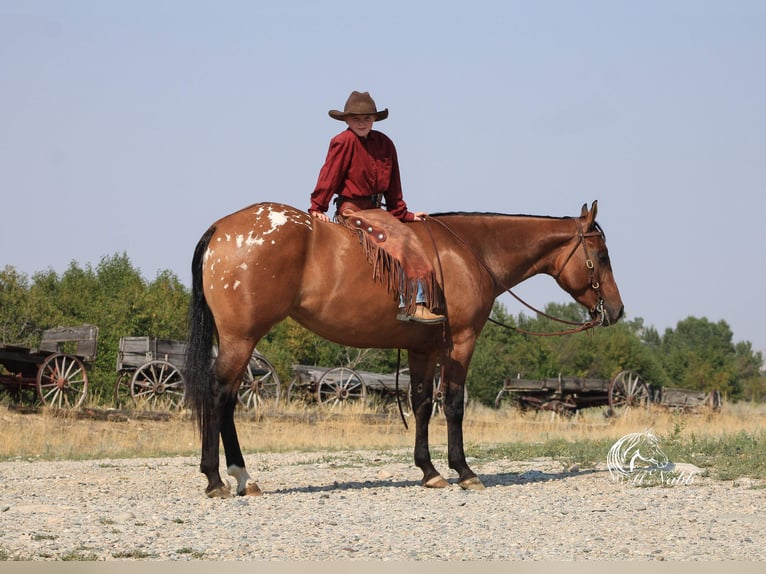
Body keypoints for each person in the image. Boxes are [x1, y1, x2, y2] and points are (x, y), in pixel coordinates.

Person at [309, 91, 445, 324]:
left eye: (366, 118)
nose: (361, 123)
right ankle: (412, 303)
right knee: (401, 240)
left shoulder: (385, 144)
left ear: (374, 119)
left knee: (410, 233)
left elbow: (394, 184)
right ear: (347, 120)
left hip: (378, 211)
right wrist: (317, 207)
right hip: (352, 210)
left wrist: (404, 213)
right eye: (356, 119)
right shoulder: (343, 141)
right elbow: (329, 175)